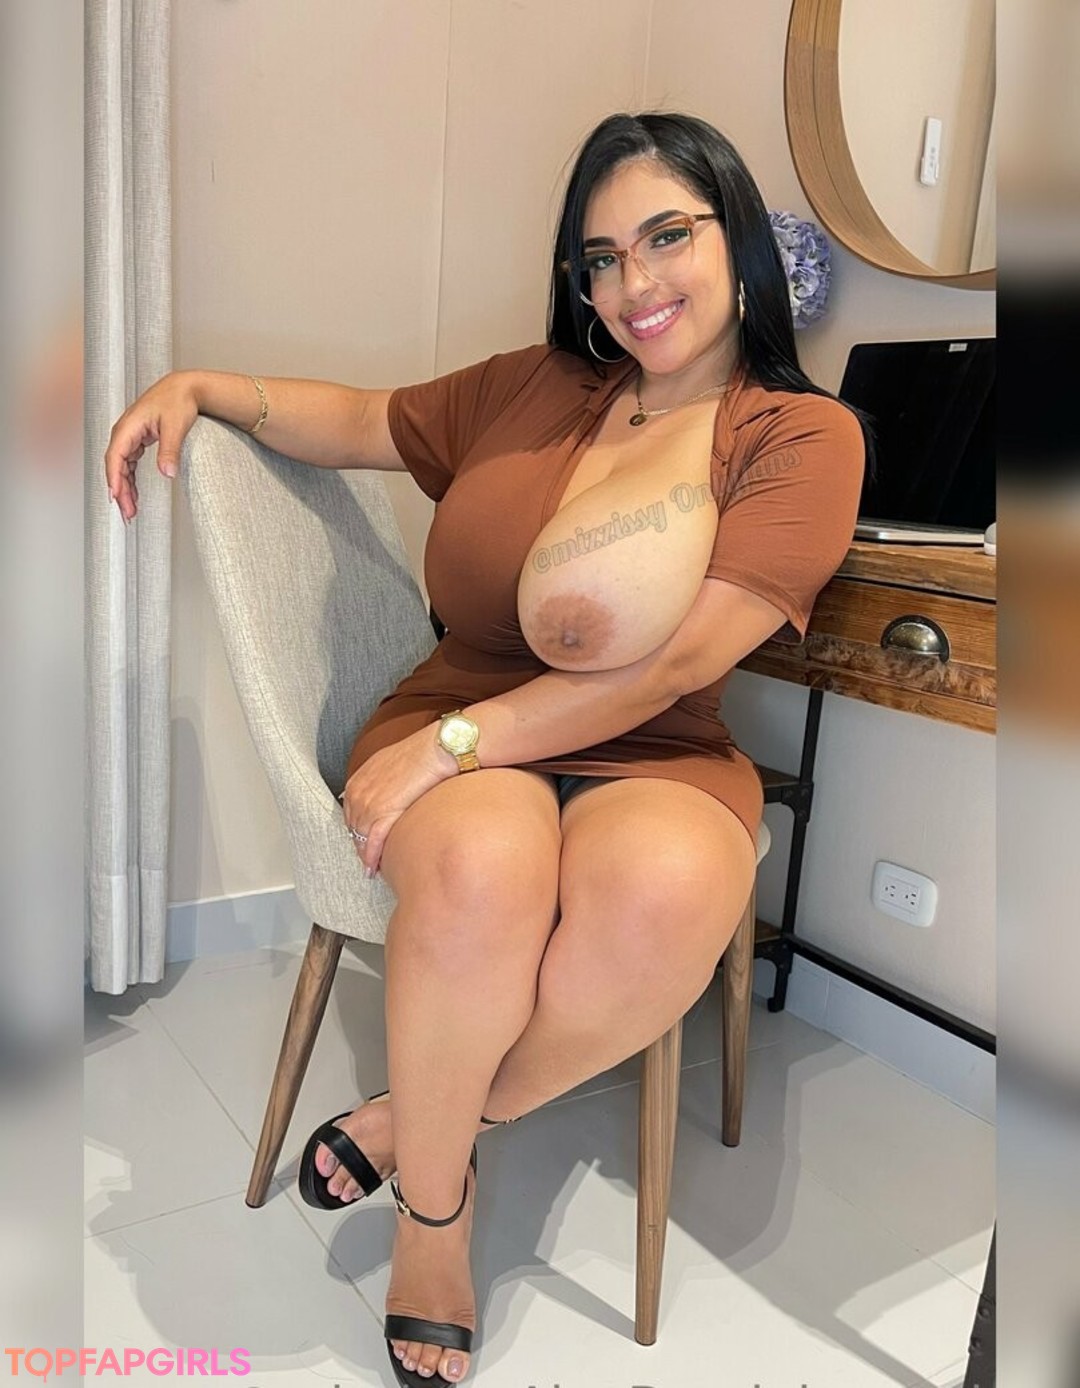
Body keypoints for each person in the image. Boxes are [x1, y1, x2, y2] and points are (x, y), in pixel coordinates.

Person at [105, 111, 869, 1388]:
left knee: (675, 887)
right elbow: (361, 416)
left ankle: (414, 1121)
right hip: (458, 704)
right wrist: (207, 386)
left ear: (736, 239)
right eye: (601, 257)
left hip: (653, 740)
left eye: (666, 237)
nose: (633, 282)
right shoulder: (536, 385)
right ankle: (435, 1218)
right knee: (482, 872)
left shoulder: (800, 435)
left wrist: (459, 748)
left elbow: (675, 664)